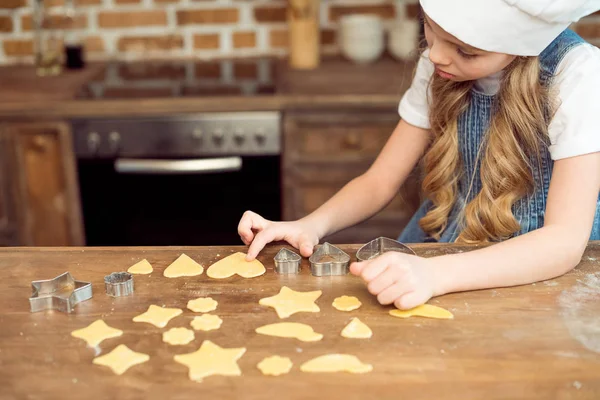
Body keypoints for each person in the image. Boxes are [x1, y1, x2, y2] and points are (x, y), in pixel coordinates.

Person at [238, 0, 600, 310]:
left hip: (532, 275)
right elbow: (379, 181)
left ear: (522, 45)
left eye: (466, 50)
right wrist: (309, 226)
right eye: (430, 26)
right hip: (441, 258)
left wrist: (436, 274)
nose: (437, 54)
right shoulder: (440, 62)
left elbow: (563, 241)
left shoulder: (578, 75)